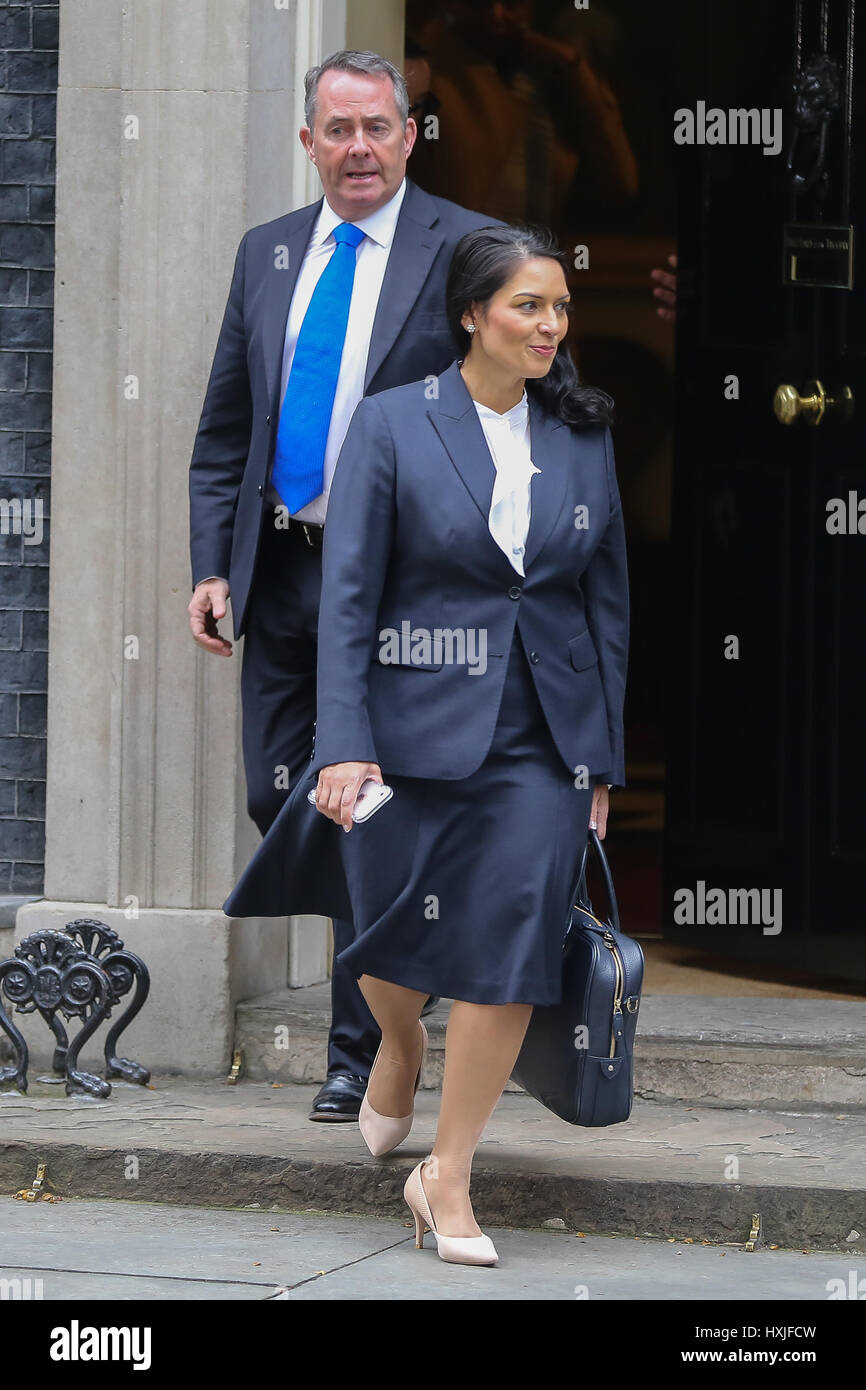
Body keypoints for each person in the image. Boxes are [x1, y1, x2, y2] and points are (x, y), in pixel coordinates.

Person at [187, 51, 504, 1122]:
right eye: (338, 130)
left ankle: (362, 1045)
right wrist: (213, 563)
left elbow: (499, 411)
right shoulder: (267, 253)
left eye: (377, 128)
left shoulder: (462, 247)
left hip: (397, 586)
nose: (358, 148)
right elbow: (227, 427)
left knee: (359, 802)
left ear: (410, 135)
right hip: (279, 573)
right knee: (277, 795)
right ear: (308, 141)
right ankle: (388, 1014)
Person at [309, 224, 629, 1264]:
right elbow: (347, 598)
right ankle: (398, 1044)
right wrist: (342, 741)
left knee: (507, 950)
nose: (548, 326)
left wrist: (601, 757)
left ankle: (448, 1174)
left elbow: (604, 603)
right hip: (408, 729)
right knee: (384, 922)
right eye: (526, 306)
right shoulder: (393, 425)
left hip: (543, 733)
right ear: (470, 314)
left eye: (559, 309)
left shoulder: (581, 433)